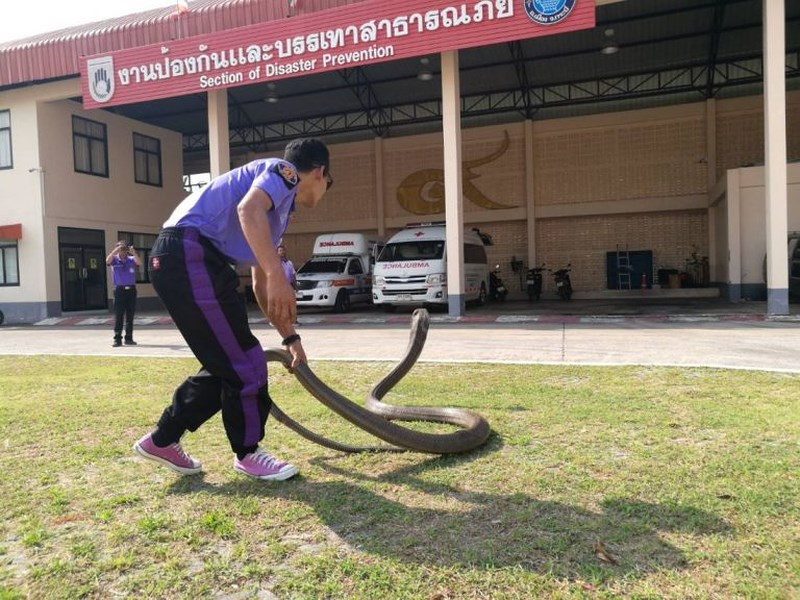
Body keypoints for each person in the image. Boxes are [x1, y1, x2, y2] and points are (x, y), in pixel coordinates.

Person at [134, 138, 333, 481]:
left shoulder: (277, 210)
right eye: (328, 183)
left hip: (189, 258)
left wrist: (290, 338)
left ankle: (163, 439)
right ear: (320, 173)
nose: (325, 190)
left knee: (228, 361)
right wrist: (278, 275)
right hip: (190, 253)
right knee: (245, 361)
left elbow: (260, 285)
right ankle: (248, 453)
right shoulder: (283, 172)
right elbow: (247, 211)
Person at [106, 241, 142, 347]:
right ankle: (117, 339)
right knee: (119, 315)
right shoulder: (114, 259)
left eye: (124, 249)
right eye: (121, 249)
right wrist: (115, 251)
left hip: (131, 290)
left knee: (130, 315)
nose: (123, 251)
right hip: (119, 290)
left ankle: (129, 338)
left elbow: (139, 263)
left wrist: (134, 253)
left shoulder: (131, 259)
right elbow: (107, 261)